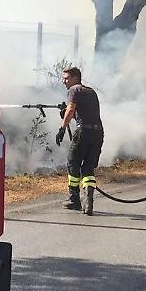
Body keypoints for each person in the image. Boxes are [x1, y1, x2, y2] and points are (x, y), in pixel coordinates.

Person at [57, 66, 102, 215]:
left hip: (83, 131)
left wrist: (62, 128)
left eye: (66, 78)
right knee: (88, 168)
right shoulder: (91, 91)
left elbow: (70, 109)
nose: (64, 81)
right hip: (97, 133)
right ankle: (88, 201)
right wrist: (68, 112)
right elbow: (85, 112)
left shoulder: (74, 90)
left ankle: (74, 199)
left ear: (75, 78)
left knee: (72, 162)